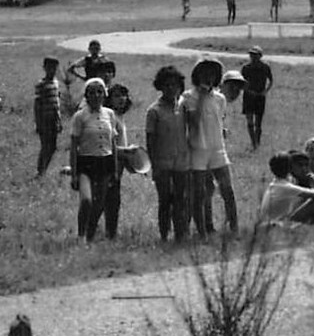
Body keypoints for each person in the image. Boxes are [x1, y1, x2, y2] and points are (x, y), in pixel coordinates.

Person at [183, 57, 238, 237]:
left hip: (217, 149)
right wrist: (201, 96)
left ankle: (234, 228)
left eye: (212, 74)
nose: (208, 77)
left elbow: (218, 121)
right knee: (200, 193)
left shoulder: (220, 99)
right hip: (198, 150)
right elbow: (193, 121)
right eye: (205, 73)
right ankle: (203, 231)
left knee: (227, 189)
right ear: (197, 75)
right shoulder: (188, 97)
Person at [145, 65, 191, 243]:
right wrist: (154, 165)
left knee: (181, 200)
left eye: (174, 85)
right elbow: (150, 139)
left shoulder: (183, 106)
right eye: (167, 85)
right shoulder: (154, 111)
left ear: (180, 86)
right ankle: (164, 235)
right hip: (162, 163)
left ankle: (180, 236)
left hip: (181, 162)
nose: (171, 89)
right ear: (160, 86)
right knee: (165, 200)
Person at [69, 78, 118, 241]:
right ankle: (81, 234)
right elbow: (74, 146)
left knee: (99, 203)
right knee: (87, 200)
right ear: (86, 95)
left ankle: (90, 234)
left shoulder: (110, 114)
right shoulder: (80, 116)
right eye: (91, 92)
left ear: (104, 94)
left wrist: (115, 169)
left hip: (104, 162)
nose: (96, 96)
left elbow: (113, 143)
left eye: (99, 92)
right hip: (86, 163)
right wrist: (74, 173)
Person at [102, 83, 134, 239]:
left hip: (119, 164)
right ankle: (105, 232)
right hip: (109, 164)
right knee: (108, 200)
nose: (121, 99)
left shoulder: (119, 116)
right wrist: (127, 152)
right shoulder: (111, 117)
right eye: (116, 96)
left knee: (112, 200)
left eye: (123, 95)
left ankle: (110, 232)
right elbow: (108, 145)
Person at [33, 56, 64, 176]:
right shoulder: (41, 84)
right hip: (44, 119)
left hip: (54, 119)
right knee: (45, 146)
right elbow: (37, 104)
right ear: (44, 68)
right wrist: (38, 123)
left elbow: (57, 104)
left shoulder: (56, 83)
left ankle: (44, 169)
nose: (52, 70)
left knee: (53, 147)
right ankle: (40, 171)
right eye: (49, 67)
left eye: (54, 68)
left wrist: (59, 120)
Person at [240, 46, 273, 151]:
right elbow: (241, 82)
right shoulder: (246, 68)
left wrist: (265, 91)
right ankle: (253, 142)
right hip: (249, 97)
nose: (253, 57)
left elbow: (271, 80)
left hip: (260, 96)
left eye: (255, 55)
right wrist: (249, 91)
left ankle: (257, 142)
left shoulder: (265, 67)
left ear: (260, 56)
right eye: (251, 55)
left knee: (258, 122)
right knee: (250, 121)